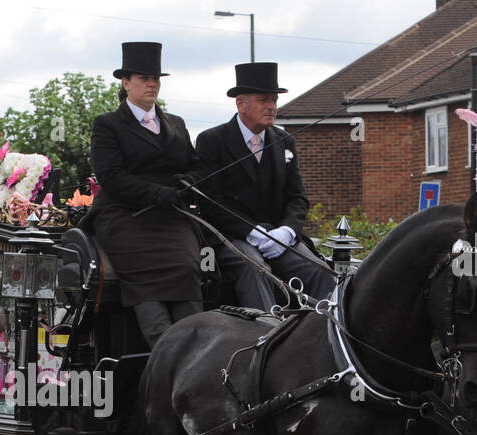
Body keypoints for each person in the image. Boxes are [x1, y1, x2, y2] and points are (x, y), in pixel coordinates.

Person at [86, 41, 202, 349]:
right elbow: (111, 176)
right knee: (147, 282)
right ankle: (168, 354)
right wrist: (154, 193)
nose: (152, 84)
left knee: (186, 269)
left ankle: (199, 349)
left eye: (156, 78)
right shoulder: (107, 124)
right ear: (126, 83)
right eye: (143, 78)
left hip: (170, 217)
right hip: (125, 216)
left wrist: (187, 182)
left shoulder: (176, 124)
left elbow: (193, 166)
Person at [195, 62, 336, 309]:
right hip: (234, 236)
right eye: (264, 100)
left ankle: (320, 338)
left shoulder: (284, 141)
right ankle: (266, 337)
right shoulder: (212, 140)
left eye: (274, 100)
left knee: (321, 271)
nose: (272, 107)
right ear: (241, 104)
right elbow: (211, 200)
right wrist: (252, 232)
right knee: (255, 269)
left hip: (279, 236)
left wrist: (288, 231)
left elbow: (297, 198)